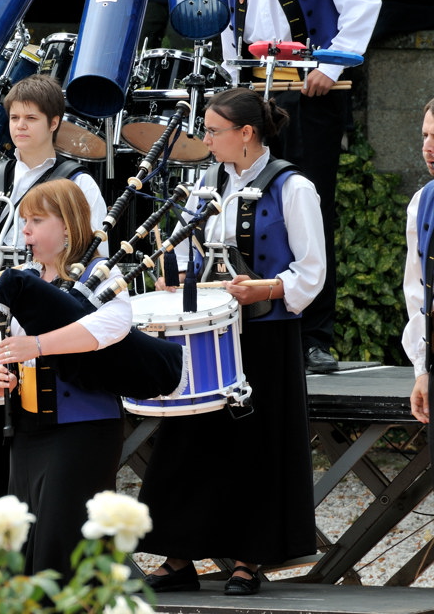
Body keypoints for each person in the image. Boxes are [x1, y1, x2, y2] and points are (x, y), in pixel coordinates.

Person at [137, 87, 324, 594]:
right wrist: (172, 274)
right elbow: (184, 244)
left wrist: (265, 287)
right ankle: (178, 559)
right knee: (187, 438)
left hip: (265, 335)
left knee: (255, 445)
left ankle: (248, 558)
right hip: (208, 331)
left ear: (246, 134)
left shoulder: (293, 186)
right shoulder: (205, 182)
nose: (205, 139)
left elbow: (312, 271)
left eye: (212, 131)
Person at [0, 73, 109, 537]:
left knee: (31, 438)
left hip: (42, 330)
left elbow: (93, 258)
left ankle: (32, 544)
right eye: (14, 117)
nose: (20, 126)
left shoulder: (78, 183)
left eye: (31, 118)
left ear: (55, 122)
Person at [222, 0, 381, 373]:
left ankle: (313, 337)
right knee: (251, 207)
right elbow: (229, 32)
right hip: (255, 96)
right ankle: (256, 321)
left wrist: (332, 62)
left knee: (311, 209)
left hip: (312, 95)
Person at [0, 179, 130, 580]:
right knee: (23, 547)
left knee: (61, 547)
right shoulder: (23, 278)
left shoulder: (101, 273)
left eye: (36, 220)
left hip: (84, 430)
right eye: (24, 220)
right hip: (28, 430)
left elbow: (112, 327)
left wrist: (40, 345)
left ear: (67, 226)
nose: (24, 230)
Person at [401, 97, 434, 485]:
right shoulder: (422, 202)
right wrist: (422, 369)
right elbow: (418, 294)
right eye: (425, 134)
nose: (428, 146)